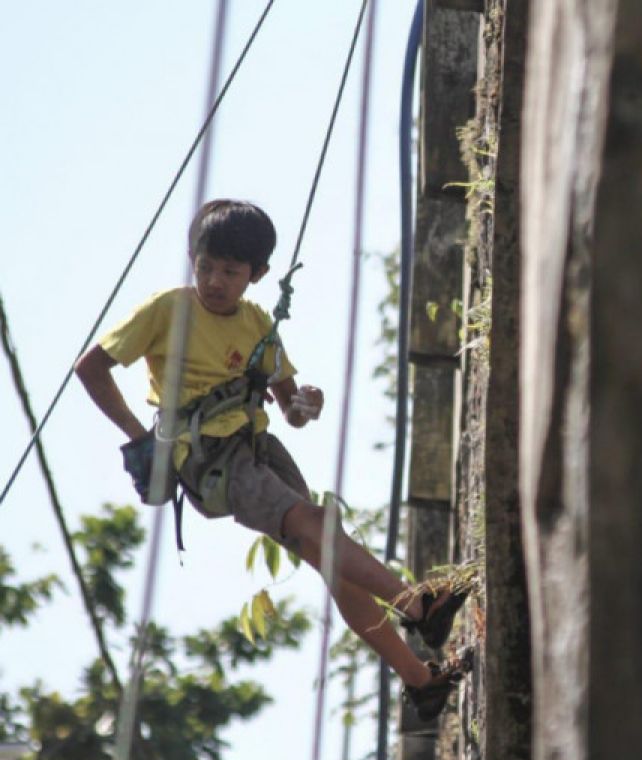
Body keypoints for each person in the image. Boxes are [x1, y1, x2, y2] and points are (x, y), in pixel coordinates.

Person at [74, 199, 469, 720]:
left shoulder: (258, 321)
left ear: (256, 275)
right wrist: (139, 438)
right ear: (194, 257)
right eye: (206, 265)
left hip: (259, 448)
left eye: (229, 271)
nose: (214, 280)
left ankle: (421, 681)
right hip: (209, 457)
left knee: (336, 566)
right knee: (318, 524)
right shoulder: (168, 310)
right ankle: (418, 605)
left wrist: (307, 402)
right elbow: (90, 367)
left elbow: (290, 407)